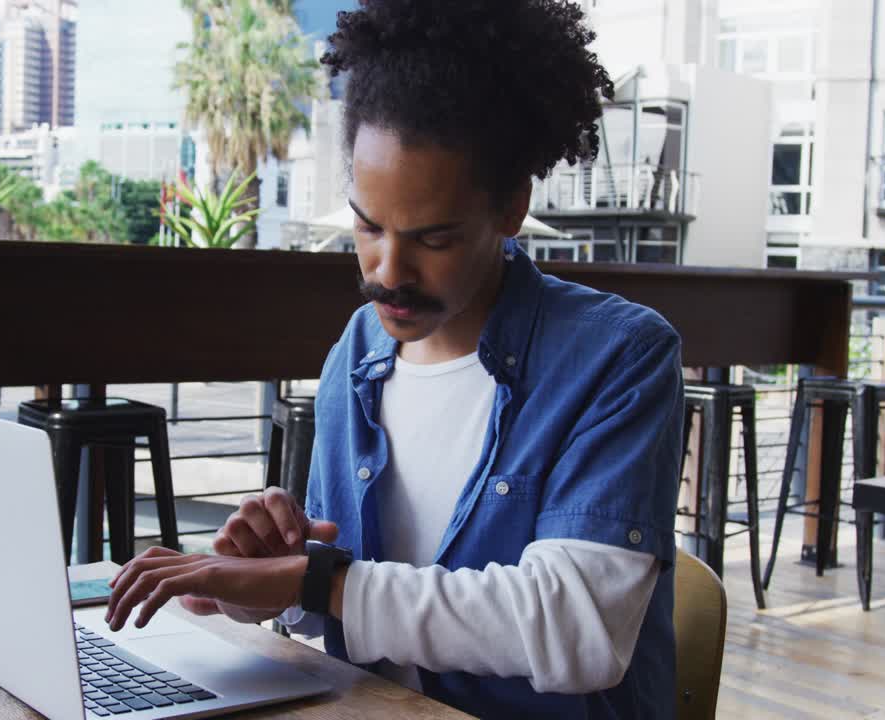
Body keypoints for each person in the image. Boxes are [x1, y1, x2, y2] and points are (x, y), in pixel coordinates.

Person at [104, 1, 683, 717]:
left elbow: (578, 631)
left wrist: (313, 581)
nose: (388, 269)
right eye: (367, 225)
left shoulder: (619, 356)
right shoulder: (358, 351)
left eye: (433, 239)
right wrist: (260, 581)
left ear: (510, 208)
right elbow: (344, 611)